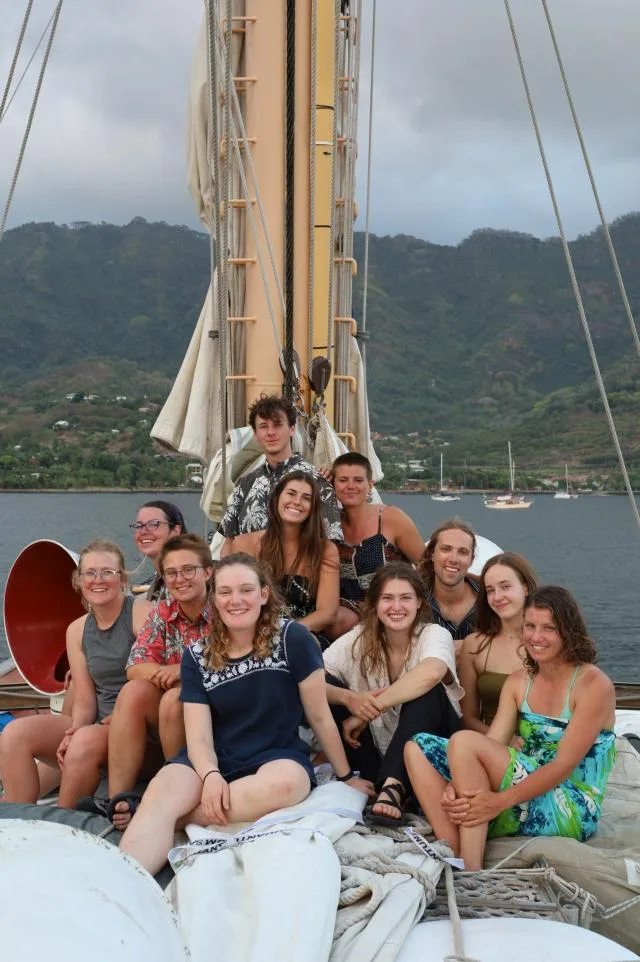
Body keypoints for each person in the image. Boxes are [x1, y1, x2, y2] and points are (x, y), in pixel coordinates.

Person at [119, 553, 375, 875]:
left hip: (275, 755)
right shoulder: (196, 656)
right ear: (214, 598)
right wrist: (210, 775)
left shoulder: (292, 639)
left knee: (288, 784)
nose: (235, 600)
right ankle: (121, 886)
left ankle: (178, 817)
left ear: (264, 594)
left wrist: (346, 776)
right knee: (163, 788)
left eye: (246, 590)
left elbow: (319, 715)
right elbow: (198, 736)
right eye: (225, 592)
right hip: (214, 757)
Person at [405, 586, 617, 871]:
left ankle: (471, 872)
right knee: (417, 747)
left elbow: (564, 766)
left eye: (549, 628)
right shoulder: (519, 681)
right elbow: (493, 743)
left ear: (568, 631)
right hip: (523, 781)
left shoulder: (594, 685)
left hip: (570, 802)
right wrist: (456, 783)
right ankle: (453, 851)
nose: (536, 637)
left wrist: (498, 802)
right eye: (530, 626)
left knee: (464, 741)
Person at [0, 541, 150, 806]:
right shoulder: (76, 630)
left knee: (83, 741)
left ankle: (62, 821)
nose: (98, 580)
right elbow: (85, 697)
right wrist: (75, 728)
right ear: (78, 580)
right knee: (14, 735)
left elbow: (152, 683)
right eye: (89, 573)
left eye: (107, 572)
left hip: (137, 728)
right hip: (95, 725)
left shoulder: (140, 613)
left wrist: (85, 733)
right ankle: (19, 818)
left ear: (122, 578)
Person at [324, 562, 463, 825]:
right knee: (329, 686)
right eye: (387, 598)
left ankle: (394, 788)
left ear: (420, 603)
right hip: (379, 753)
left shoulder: (434, 634)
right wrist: (349, 700)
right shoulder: (362, 638)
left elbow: (433, 671)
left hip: (434, 754)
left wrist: (372, 707)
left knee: (427, 691)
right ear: (375, 604)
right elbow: (312, 676)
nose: (396, 607)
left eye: (405, 598)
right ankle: (368, 781)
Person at [104, 533, 213, 830]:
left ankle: (175, 793)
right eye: (172, 573)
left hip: (221, 710)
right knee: (134, 692)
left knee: (173, 700)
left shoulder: (226, 606)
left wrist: (184, 670)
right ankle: (119, 801)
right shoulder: (164, 613)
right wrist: (166, 673)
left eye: (188, 570)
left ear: (208, 571)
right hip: (172, 713)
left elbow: (235, 659)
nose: (180, 579)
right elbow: (136, 666)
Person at [218, 393, 342, 554]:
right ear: (256, 434)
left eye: (277, 425)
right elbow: (229, 542)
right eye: (263, 426)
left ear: (291, 429)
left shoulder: (317, 481)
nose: (270, 432)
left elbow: (330, 544)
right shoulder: (244, 485)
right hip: (250, 576)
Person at [232, 470, 339, 644]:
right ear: (276, 499)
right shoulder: (245, 544)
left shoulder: (325, 549)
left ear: (313, 507)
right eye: (291, 493)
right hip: (253, 635)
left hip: (303, 635)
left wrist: (285, 635)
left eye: (306, 498)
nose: (297, 502)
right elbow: (236, 600)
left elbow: (328, 613)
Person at [330, 452, 426, 638]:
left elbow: (426, 565)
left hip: (391, 608)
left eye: (358, 480)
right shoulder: (331, 526)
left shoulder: (391, 518)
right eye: (343, 480)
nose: (350, 486)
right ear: (333, 484)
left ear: (370, 485)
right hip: (346, 615)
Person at [459, 553, 537, 733]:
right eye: (490, 590)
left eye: (505, 587)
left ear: (525, 588)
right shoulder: (474, 645)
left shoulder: (546, 642)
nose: (497, 596)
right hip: (493, 748)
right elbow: (468, 719)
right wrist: (505, 740)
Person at [418, 520, 479, 646]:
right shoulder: (413, 599)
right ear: (432, 555)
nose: (453, 559)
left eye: (463, 552)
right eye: (445, 549)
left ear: (471, 560)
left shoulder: (490, 599)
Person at [130, 500, 187, 601]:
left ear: (175, 531)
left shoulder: (185, 580)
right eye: (138, 526)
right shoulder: (160, 582)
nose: (143, 531)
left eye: (153, 524)